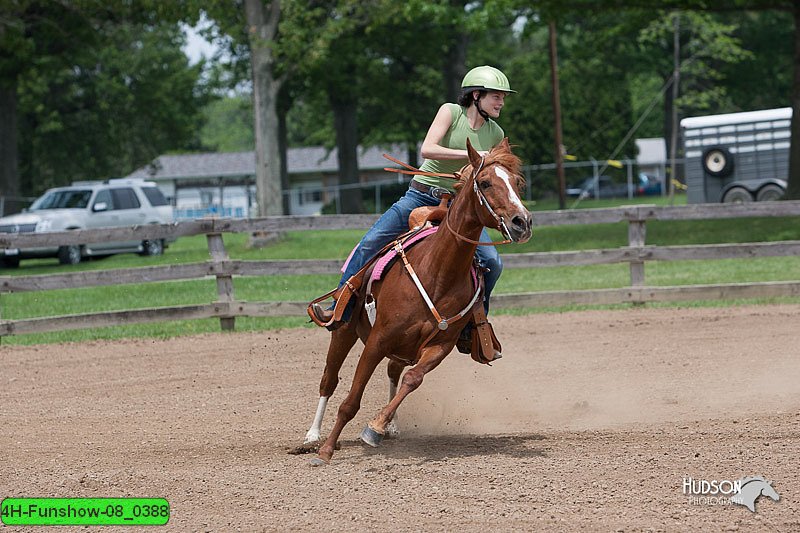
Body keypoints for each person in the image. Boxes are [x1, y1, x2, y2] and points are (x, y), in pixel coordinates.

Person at [312, 65, 516, 345]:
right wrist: (471, 155)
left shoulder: (496, 133)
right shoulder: (450, 112)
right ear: (476, 95)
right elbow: (427, 148)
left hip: (459, 207)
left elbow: (488, 174)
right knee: (370, 242)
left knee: (492, 262)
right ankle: (339, 306)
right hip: (420, 196)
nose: (501, 102)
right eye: (496, 96)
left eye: (503, 97)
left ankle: (473, 327)